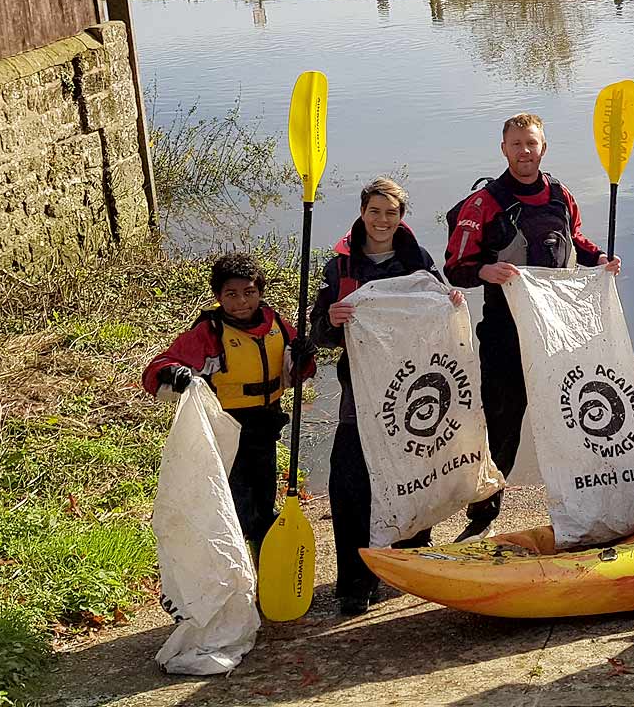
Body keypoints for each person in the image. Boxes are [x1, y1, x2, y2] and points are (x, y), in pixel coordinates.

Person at [444, 112, 621, 542]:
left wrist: (599, 260)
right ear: (503, 148)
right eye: (517, 144)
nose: (525, 152)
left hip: (557, 329)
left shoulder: (560, 194)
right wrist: (486, 271)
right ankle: (484, 512)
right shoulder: (483, 203)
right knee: (504, 422)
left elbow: (575, 239)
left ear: (544, 147)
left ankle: (587, 500)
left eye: (532, 144)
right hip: (505, 331)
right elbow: (455, 268)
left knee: (571, 413)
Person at [309, 177, 465, 616]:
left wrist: (450, 300)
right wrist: (332, 320)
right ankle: (356, 582)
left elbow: (441, 308)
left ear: (402, 217)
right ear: (362, 212)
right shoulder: (340, 266)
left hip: (413, 390)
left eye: (391, 213)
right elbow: (318, 332)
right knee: (350, 482)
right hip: (359, 393)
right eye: (375, 211)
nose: (382, 220)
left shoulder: (418, 260)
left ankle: (411, 557)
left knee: (419, 468)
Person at [143, 253, 316, 561]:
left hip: (265, 427)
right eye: (231, 295)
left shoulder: (276, 324)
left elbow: (296, 373)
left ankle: (266, 572)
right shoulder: (210, 333)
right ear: (218, 297)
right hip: (226, 432)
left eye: (249, 292)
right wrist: (175, 374)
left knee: (263, 507)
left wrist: (303, 355)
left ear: (260, 292)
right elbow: (155, 370)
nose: (241, 302)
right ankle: (233, 572)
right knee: (236, 509)